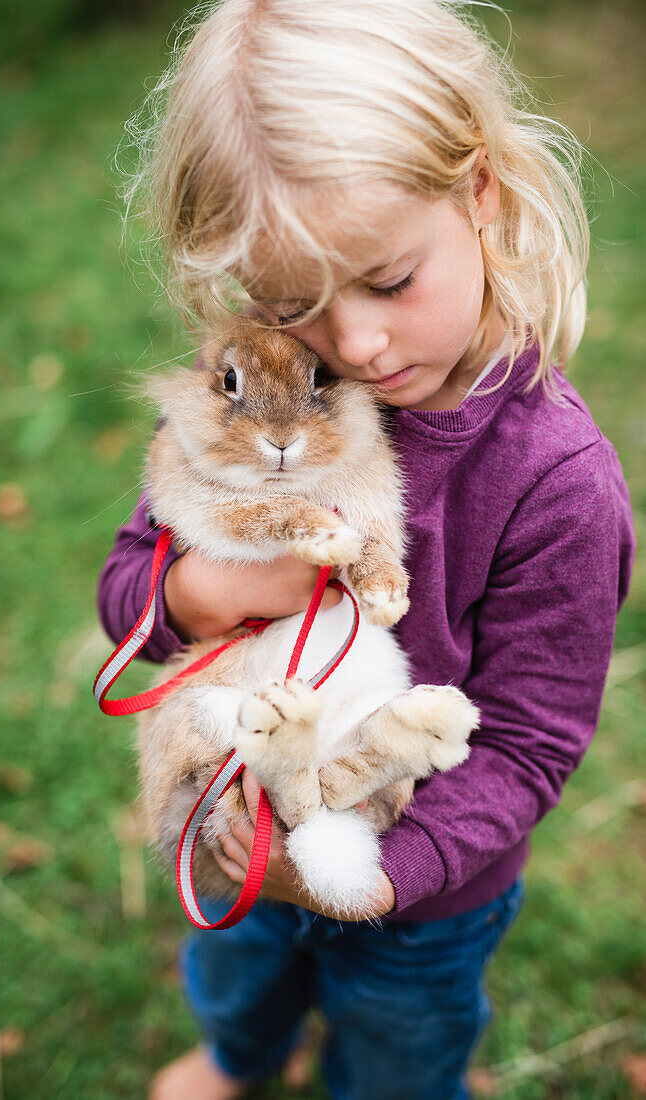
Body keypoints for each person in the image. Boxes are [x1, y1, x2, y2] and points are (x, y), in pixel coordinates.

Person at [98, 2, 636, 1097]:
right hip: (238, 825)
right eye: (290, 303)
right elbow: (128, 588)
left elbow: (529, 739)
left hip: (414, 891)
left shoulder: (555, 484)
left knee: (398, 1043)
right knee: (238, 967)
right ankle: (237, 1052)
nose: (353, 344)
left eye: (387, 282)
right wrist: (198, 591)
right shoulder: (249, 414)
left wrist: (380, 874)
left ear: (476, 191)